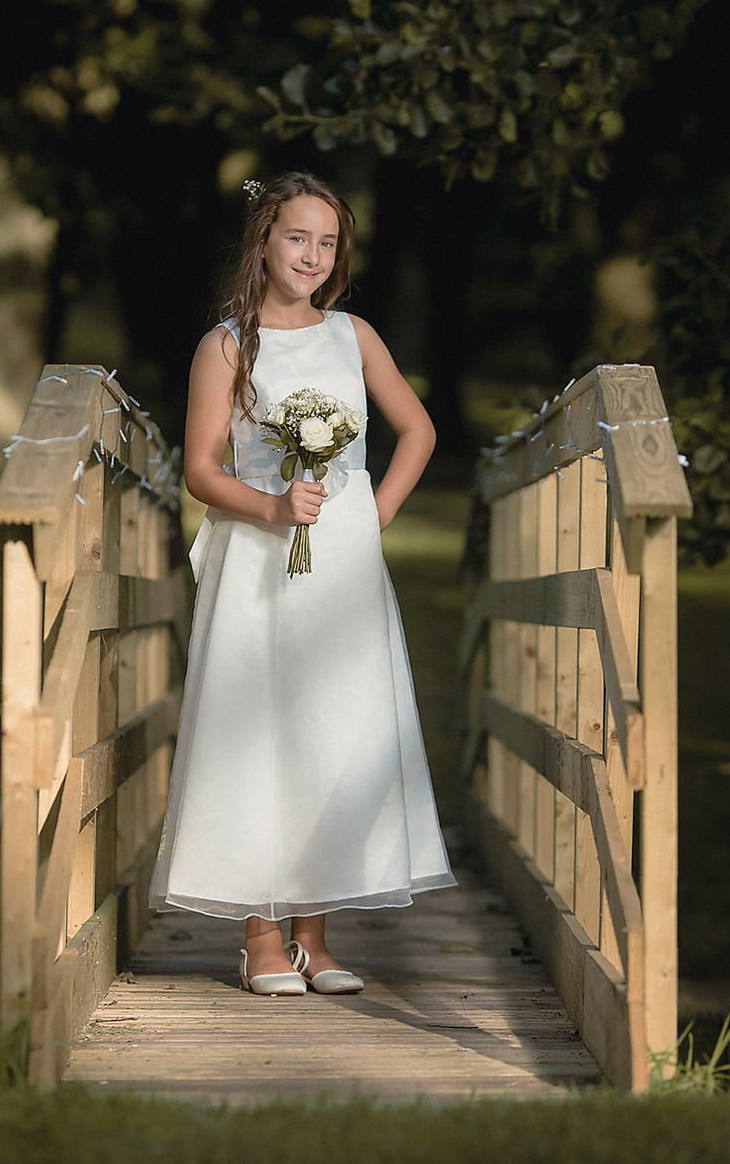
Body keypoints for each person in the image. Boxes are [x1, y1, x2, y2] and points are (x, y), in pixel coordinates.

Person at [148, 170, 455, 996]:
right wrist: (275, 507)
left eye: (327, 242)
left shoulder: (352, 336)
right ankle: (258, 937)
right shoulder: (226, 346)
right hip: (257, 556)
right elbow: (202, 473)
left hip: (340, 565)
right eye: (297, 238)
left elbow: (417, 429)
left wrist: (372, 515)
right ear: (263, 242)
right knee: (261, 728)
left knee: (332, 724)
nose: (312, 255)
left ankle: (315, 940)